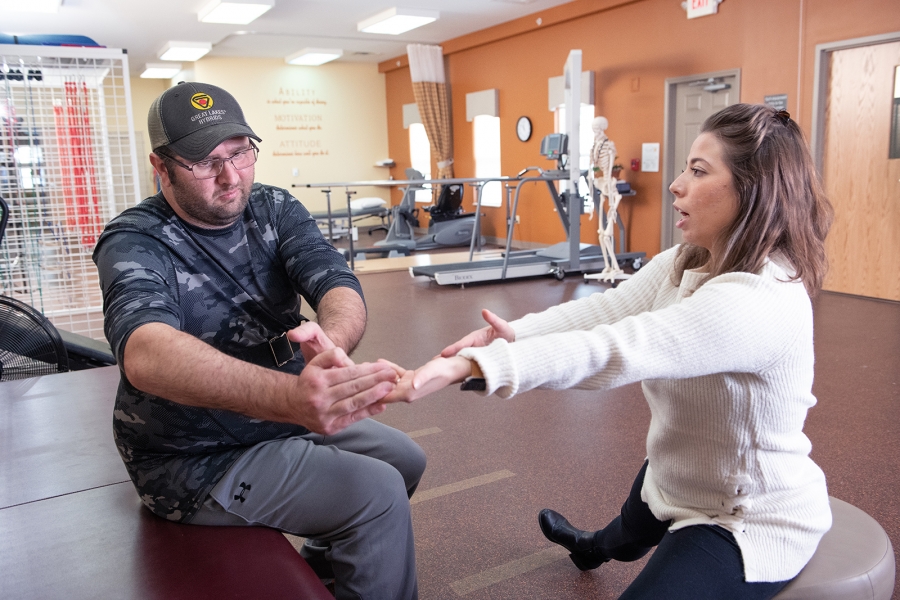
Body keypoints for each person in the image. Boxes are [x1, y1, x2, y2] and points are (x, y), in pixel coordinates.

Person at [383, 104, 834, 599]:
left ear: (754, 191)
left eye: (699, 171)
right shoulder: (687, 260)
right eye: (685, 166)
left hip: (743, 516)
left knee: (644, 528)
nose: (676, 184)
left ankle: (601, 543)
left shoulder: (760, 299)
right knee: (631, 523)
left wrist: (475, 366)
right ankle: (593, 547)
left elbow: (618, 348)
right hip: (680, 469)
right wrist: (510, 334)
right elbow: (605, 312)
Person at [93, 81, 425, 600]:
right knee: (377, 493)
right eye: (205, 162)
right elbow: (145, 352)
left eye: (240, 153)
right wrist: (290, 398)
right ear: (162, 168)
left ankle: (330, 557)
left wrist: (332, 347)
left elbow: (336, 282)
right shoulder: (135, 240)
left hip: (280, 423)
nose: (231, 177)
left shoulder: (271, 208)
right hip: (192, 458)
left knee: (404, 460)